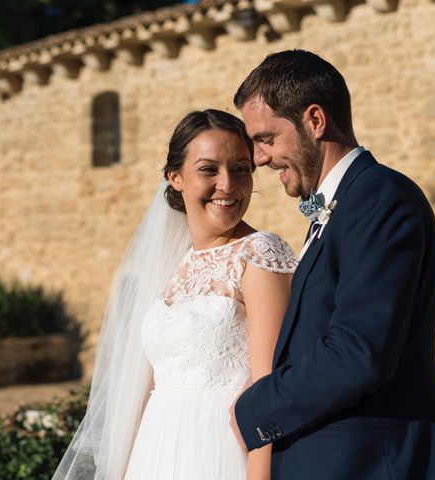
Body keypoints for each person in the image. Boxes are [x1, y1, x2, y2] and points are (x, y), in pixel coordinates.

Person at [229, 49, 435, 479]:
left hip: (372, 464)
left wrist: (255, 407)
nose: (260, 158)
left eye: (267, 138)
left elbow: (357, 352)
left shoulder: (380, 198)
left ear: (315, 121)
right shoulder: (342, 207)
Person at [53, 109, 297, 479]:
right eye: (209, 169)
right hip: (156, 448)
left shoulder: (259, 253)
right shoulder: (171, 263)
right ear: (176, 178)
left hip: (220, 452)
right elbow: (146, 382)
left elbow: (270, 391)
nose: (227, 184)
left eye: (241, 168)